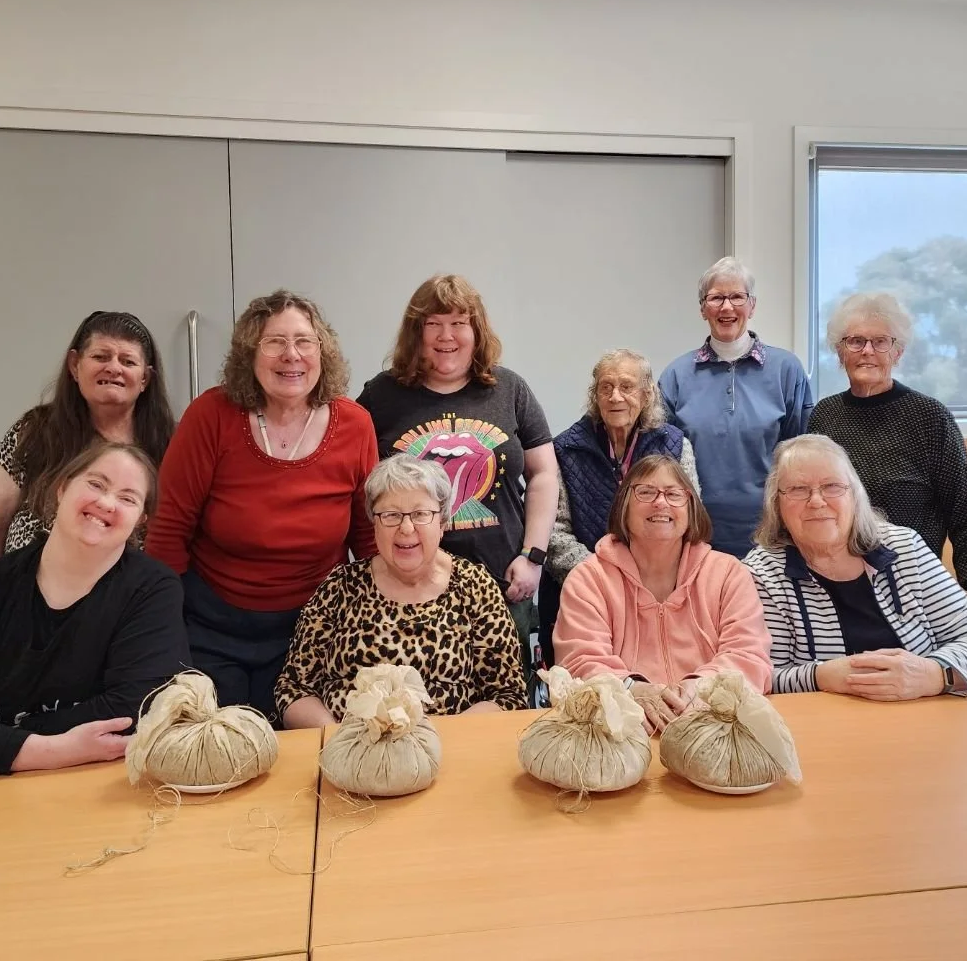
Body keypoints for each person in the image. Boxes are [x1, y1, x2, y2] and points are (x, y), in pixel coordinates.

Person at [145, 291, 377, 721]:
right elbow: (168, 530)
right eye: (274, 342)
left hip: (313, 629)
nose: (291, 355)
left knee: (301, 750)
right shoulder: (210, 415)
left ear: (322, 352)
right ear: (250, 353)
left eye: (304, 341)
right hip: (210, 625)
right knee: (219, 741)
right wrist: (165, 630)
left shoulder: (355, 424)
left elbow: (368, 538)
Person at [0, 443, 189, 775]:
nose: (106, 503)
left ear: (141, 520)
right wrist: (58, 749)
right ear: (62, 488)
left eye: (128, 498)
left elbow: (139, 707)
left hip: (92, 784)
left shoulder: (153, 590)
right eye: (96, 484)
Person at [357, 274, 557, 675]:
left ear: (476, 331)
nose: (445, 335)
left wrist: (532, 557)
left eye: (458, 323)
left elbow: (544, 475)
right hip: (409, 590)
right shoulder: (381, 395)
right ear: (415, 332)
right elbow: (358, 484)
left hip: (504, 585)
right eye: (432, 323)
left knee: (504, 698)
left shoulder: (510, 389)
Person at [808, 292, 967, 647]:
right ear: (840, 352)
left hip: (914, 592)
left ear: (898, 352)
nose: (867, 351)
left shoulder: (929, 418)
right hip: (836, 592)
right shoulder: (823, 417)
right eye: (855, 341)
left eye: (881, 342)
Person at [745, 435, 967, 699]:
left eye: (832, 486)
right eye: (798, 489)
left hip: (924, 713)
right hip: (822, 722)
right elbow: (758, 676)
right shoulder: (761, 574)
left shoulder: (905, 548)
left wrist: (936, 675)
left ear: (855, 495)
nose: (816, 501)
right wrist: (820, 676)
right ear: (776, 504)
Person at [276, 455, 526, 726]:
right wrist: (340, 738)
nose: (406, 528)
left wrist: (438, 740)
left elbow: (508, 695)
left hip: (448, 747)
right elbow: (294, 689)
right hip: (348, 744)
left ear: (442, 522)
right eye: (391, 515)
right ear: (374, 523)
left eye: (420, 514)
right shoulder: (340, 587)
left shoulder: (476, 587)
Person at [554, 455, 772, 734]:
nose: (661, 502)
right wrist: (631, 690)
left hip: (714, 731)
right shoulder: (588, 579)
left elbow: (749, 655)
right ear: (623, 506)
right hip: (620, 734)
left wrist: (700, 688)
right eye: (646, 492)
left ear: (691, 508)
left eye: (674, 494)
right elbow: (579, 661)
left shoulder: (729, 574)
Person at [0, 310, 174, 569]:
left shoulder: (171, 444)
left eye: (128, 361)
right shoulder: (34, 432)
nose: (114, 368)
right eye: (100, 357)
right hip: (26, 590)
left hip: (131, 593)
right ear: (75, 365)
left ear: (145, 378)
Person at [542, 348, 699, 668]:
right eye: (606, 387)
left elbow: (689, 519)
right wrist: (603, 580)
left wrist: (646, 582)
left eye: (626, 386)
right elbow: (554, 532)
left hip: (658, 598)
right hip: (584, 597)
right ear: (595, 395)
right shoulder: (566, 449)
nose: (615, 396)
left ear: (647, 394)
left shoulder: (674, 445)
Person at [660, 257, 813, 559]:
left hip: (772, 537)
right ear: (703, 308)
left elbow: (802, 457)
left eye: (737, 297)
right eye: (716, 298)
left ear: (752, 305)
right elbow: (663, 463)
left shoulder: (786, 370)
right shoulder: (676, 376)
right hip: (696, 536)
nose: (727, 307)